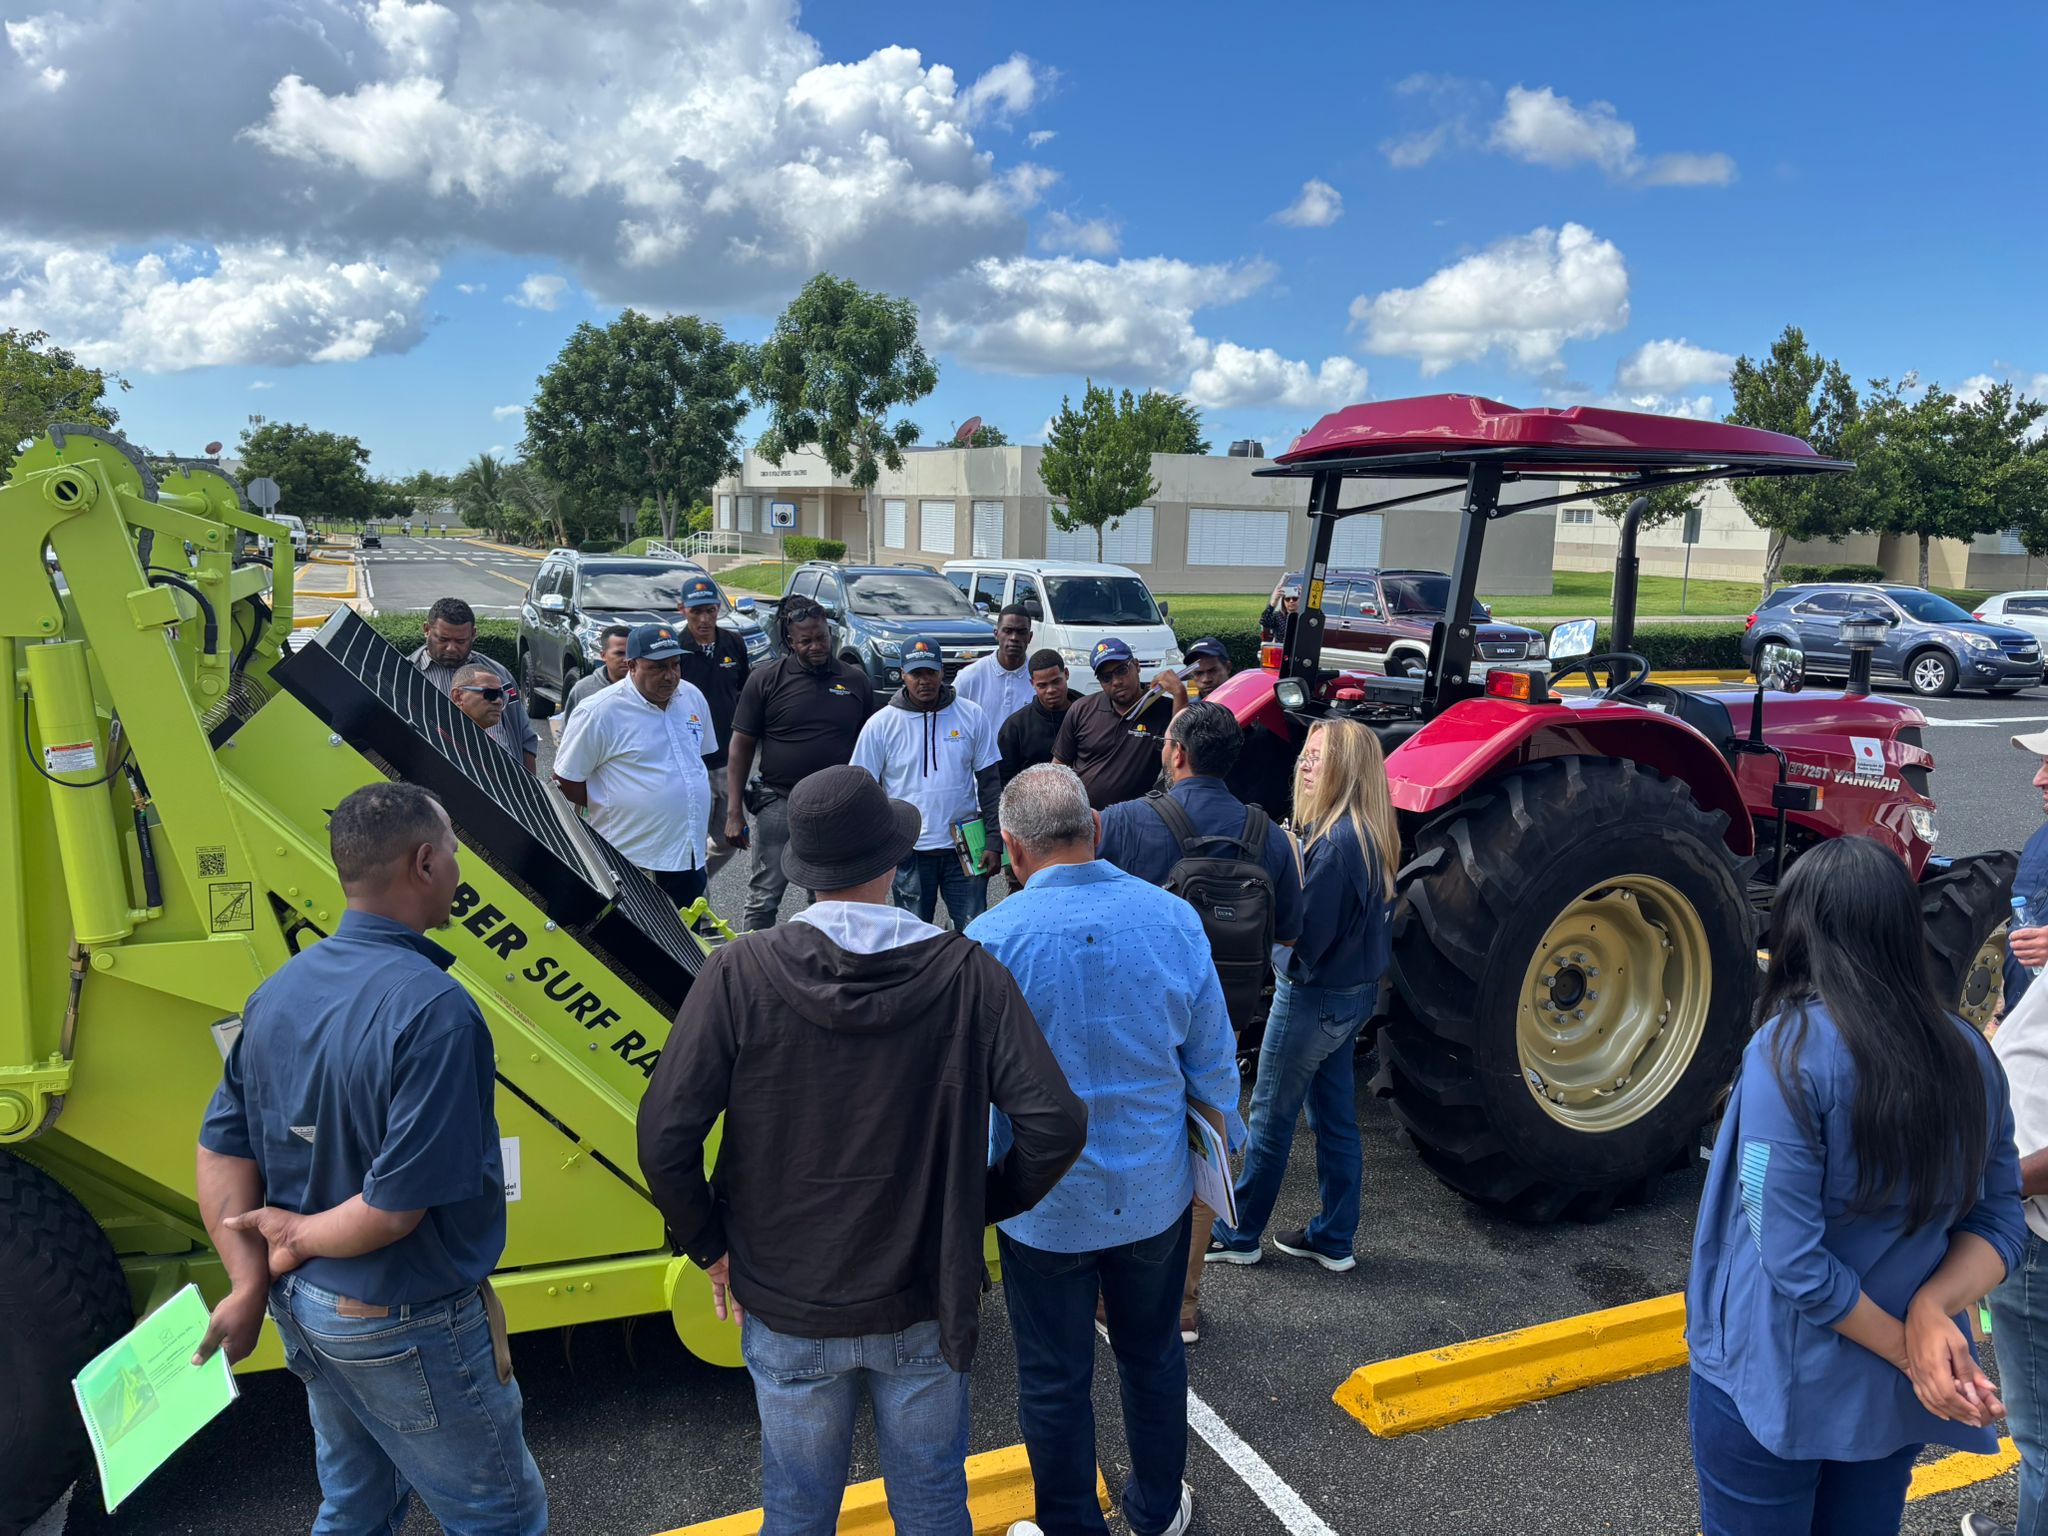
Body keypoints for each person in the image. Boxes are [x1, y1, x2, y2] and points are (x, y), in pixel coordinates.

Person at [638, 765, 1087, 1536]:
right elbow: (1055, 1123)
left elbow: (665, 1134)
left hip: (786, 1295)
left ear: (802, 871)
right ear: (893, 862)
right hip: (921, 1293)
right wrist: (976, 1203)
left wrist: (712, 1244)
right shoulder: (967, 971)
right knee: (933, 1503)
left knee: (798, 1508)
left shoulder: (739, 972)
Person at [193, 783, 545, 1536]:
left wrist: (251, 1279)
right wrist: (295, 1235)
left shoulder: (277, 992)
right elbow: (392, 1211)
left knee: (356, 1507)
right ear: (424, 862)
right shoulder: (435, 1010)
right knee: (500, 1518)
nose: (458, 868)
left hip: (310, 1313)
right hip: (402, 1317)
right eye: (453, 852)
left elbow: (219, 1148)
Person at [1684, 835, 2025, 1536]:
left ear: (1799, 932)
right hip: (1892, 1393)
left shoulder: (1787, 1052)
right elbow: (1999, 1220)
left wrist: (1911, 1348)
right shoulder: (1969, 1053)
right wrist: (1932, 1314)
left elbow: (1791, 1259)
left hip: (1773, 1376)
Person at [968, 764, 1241, 1536]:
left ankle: (1068, 1525)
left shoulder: (988, 941)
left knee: (1054, 1379)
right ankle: (1157, 1510)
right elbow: (1214, 1063)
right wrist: (1222, 1162)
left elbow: (971, 1091)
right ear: (1094, 828)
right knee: (1153, 1356)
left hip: (1043, 1206)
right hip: (1154, 1193)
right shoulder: (1172, 919)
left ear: (1012, 851)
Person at [1096, 701, 1302, 1339]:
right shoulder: (1267, 833)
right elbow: (1289, 932)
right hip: (1228, 1019)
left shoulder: (1130, 821)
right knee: (1205, 1152)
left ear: (1176, 753)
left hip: (1137, 1022)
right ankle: (1184, 1304)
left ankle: (1118, 1298)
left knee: (1129, 1147)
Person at [1207, 719, 1394, 1274]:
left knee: (1269, 1116)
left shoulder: (1332, 847)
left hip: (1311, 999)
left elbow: (1304, 943)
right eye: (1306, 755)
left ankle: (1240, 1234)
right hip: (1351, 998)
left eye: (1318, 757)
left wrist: (1271, 911)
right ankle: (1334, 1237)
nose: (1305, 765)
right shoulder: (1369, 832)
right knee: (1335, 1119)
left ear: (1346, 769)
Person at [1963, 731, 2048, 1536]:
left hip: (2035, 1226)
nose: (2037, 774)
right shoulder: (2039, 847)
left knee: (2041, 1435)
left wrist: (1994, 1186)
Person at [726, 596, 875, 931]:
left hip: (836, 809)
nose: (816, 646)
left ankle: (825, 966)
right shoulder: (765, 679)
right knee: (764, 896)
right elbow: (741, 746)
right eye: (805, 640)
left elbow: (870, 746)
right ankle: (753, 968)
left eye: (821, 637)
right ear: (790, 642)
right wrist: (734, 812)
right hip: (779, 803)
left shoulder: (855, 681)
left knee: (830, 900)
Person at [553, 623, 717, 906]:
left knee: (687, 943)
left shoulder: (692, 697)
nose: (670, 675)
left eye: (675, 665)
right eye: (658, 667)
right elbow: (565, 780)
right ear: (631, 665)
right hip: (635, 860)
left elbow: (696, 760)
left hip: (688, 855)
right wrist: (610, 802)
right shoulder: (599, 711)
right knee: (635, 946)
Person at [851, 635, 1001, 927]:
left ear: (942, 672)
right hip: (910, 852)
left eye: (930, 672)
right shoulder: (881, 724)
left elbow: (990, 783)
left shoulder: (971, 715)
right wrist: (875, 849)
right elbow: (862, 789)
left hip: (966, 849)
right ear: (903, 674)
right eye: (916, 673)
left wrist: (994, 840)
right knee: (913, 936)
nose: (924, 681)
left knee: (974, 930)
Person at [1052, 638, 1186, 811]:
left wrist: (1180, 694)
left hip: (1139, 819)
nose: (1116, 681)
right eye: (1106, 677)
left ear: (1137, 666)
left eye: (1122, 670)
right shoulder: (1082, 709)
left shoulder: (1164, 710)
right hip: (1085, 819)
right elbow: (1058, 767)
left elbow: (1182, 754)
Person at [675, 576, 751, 879]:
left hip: (728, 761)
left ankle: (686, 886)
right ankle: (699, 918)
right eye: (696, 612)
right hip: (689, 763)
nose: (704, 619)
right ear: (682, 610)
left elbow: (744, 692)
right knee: (690, 844)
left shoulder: (734, 642)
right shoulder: (676, 649)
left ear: (719, 608)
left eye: (710, 610)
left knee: (730, 840)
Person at [412, 597, 538, 772]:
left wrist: (530, 793)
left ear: (473, 634)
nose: (451, 648)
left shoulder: (499, 674)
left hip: (502, 781)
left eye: (460, 641)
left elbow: (525, 737)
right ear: (426, 630)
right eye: (443, 639)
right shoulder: (408, 674)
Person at [998, 649, 1074, 789]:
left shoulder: (1088, 712)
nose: (1050, 690)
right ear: (1032, 683)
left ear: (1067, 674)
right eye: (1042, 685)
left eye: (1056, 681)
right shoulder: (1015, 728)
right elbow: (1006, 784)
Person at [956, 604, 1037, 727]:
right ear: (996, 633)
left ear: (1030, 637)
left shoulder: (1040, 679)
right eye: (1007, 631)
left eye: (1021, 632)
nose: (1014, 638)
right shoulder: (970, 677)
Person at [451, 662, 525, 763]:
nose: (499, 701)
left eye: (501, 695)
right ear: (458, 697)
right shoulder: (444, 741)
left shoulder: (488, 742)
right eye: (489, 693)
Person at [562, 623, 631, 722]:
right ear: (603, 655)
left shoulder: (646, 688)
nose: (626, 659)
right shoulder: (583, 690)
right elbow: (568, 730)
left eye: (630, 653)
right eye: (619, 653)